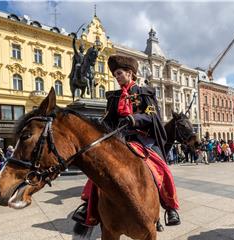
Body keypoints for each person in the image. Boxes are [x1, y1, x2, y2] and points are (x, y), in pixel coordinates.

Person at [72, 55, 181, 227]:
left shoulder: (145, 93)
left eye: (120, 74)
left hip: (143, 138)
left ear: (130, 73)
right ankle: (87, 206)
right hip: (120, 139)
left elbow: (152, 116)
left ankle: (170, 207)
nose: (117, 78)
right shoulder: (114, 98)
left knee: (161, 167)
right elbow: (109, 120)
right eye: (115, 75)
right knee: (100, 166)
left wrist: (134, 119)